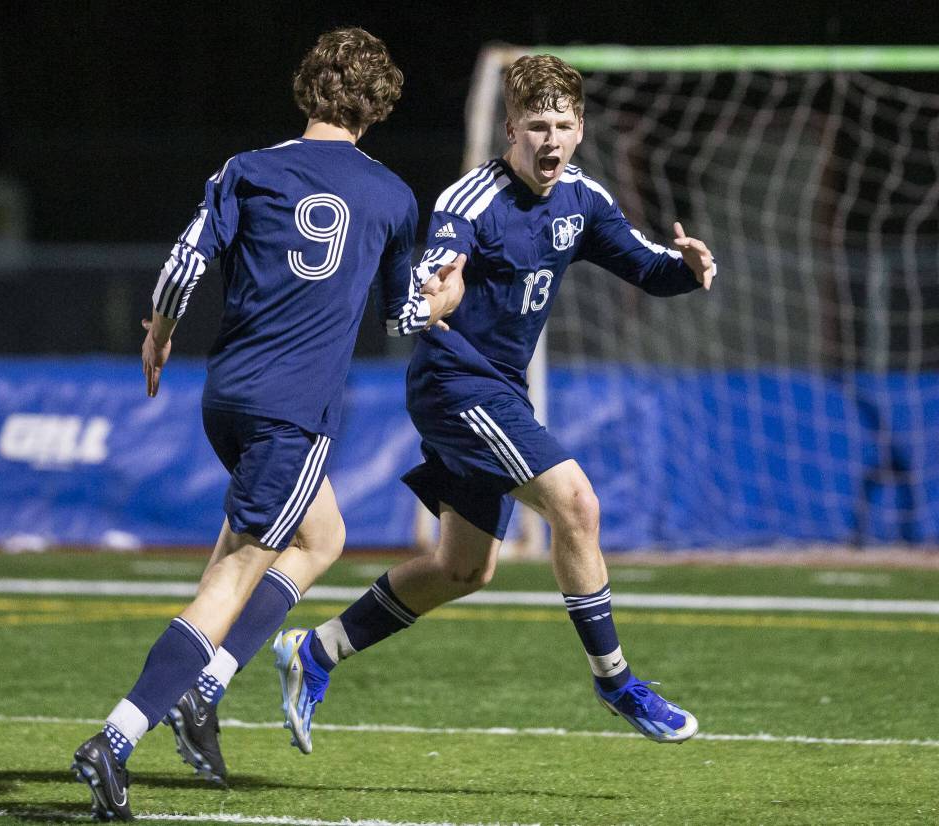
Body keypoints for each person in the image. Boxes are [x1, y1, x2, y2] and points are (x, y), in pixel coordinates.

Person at [69, 27, 464, 822]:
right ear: (378, 106)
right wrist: (445, 302)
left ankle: (204, 687)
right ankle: (117, 736)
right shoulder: (390, 196)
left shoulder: (248, 168)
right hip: (294, 411)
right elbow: (402, 315)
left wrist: (158, 329)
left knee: (322, 536)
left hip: (228, 396)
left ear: (305, 89)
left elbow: (186, 260)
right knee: (235, 574)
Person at [272, 53, 717, 755]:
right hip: (455, 384)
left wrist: (687, 270)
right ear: (509, 129)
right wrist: (426, 298)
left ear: (579, 130)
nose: (550, 140)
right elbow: (420, 291)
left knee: (463, 569)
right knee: (577, 505)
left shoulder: (583, 200)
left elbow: (645, 265)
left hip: (501, 391)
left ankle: (316, 651)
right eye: (535, 125)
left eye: (562, 126)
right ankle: (617, 682)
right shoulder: (468, 203)